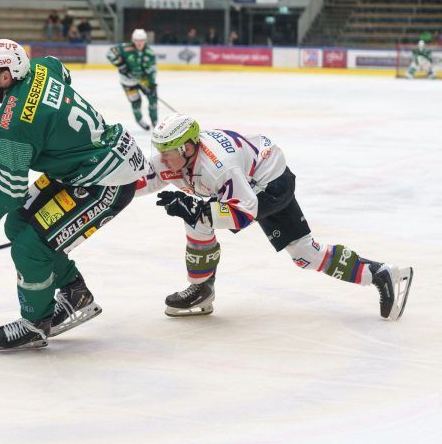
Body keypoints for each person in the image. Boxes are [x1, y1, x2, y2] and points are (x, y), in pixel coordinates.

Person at [0, 39, 147, 350]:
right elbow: (61, 70)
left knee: (30, 247)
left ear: (5, 76)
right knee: (17, 225)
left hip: (105, 180)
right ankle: (75, 293)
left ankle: (35, 323)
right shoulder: (41, 68)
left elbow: (9, 191)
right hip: (84, 166)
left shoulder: (12, 125)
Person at [136, 114, 413, 321]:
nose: (162, 159)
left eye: (167, 153)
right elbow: (141, 181)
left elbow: (245, 212)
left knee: (303, 254)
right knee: (304, 253)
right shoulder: (182, 156)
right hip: (251, 177)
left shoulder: (218, 168)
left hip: (270, 185)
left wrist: (197, 210)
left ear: (187, 148)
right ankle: (201, 288)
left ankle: (380, 274)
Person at [106, 28, 158, 131]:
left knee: (153, 97)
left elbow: (152, 70)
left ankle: (155, 121)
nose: (139, 43)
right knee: (136, 101)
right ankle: (139, 119)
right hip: (127, 81)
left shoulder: (149, 53)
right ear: (133, 40)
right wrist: (120, 64)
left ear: (145, 40)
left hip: (143, 79)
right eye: (137, 40)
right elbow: (110, 53)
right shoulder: (124, 48)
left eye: (142, 40)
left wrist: (151, 84)